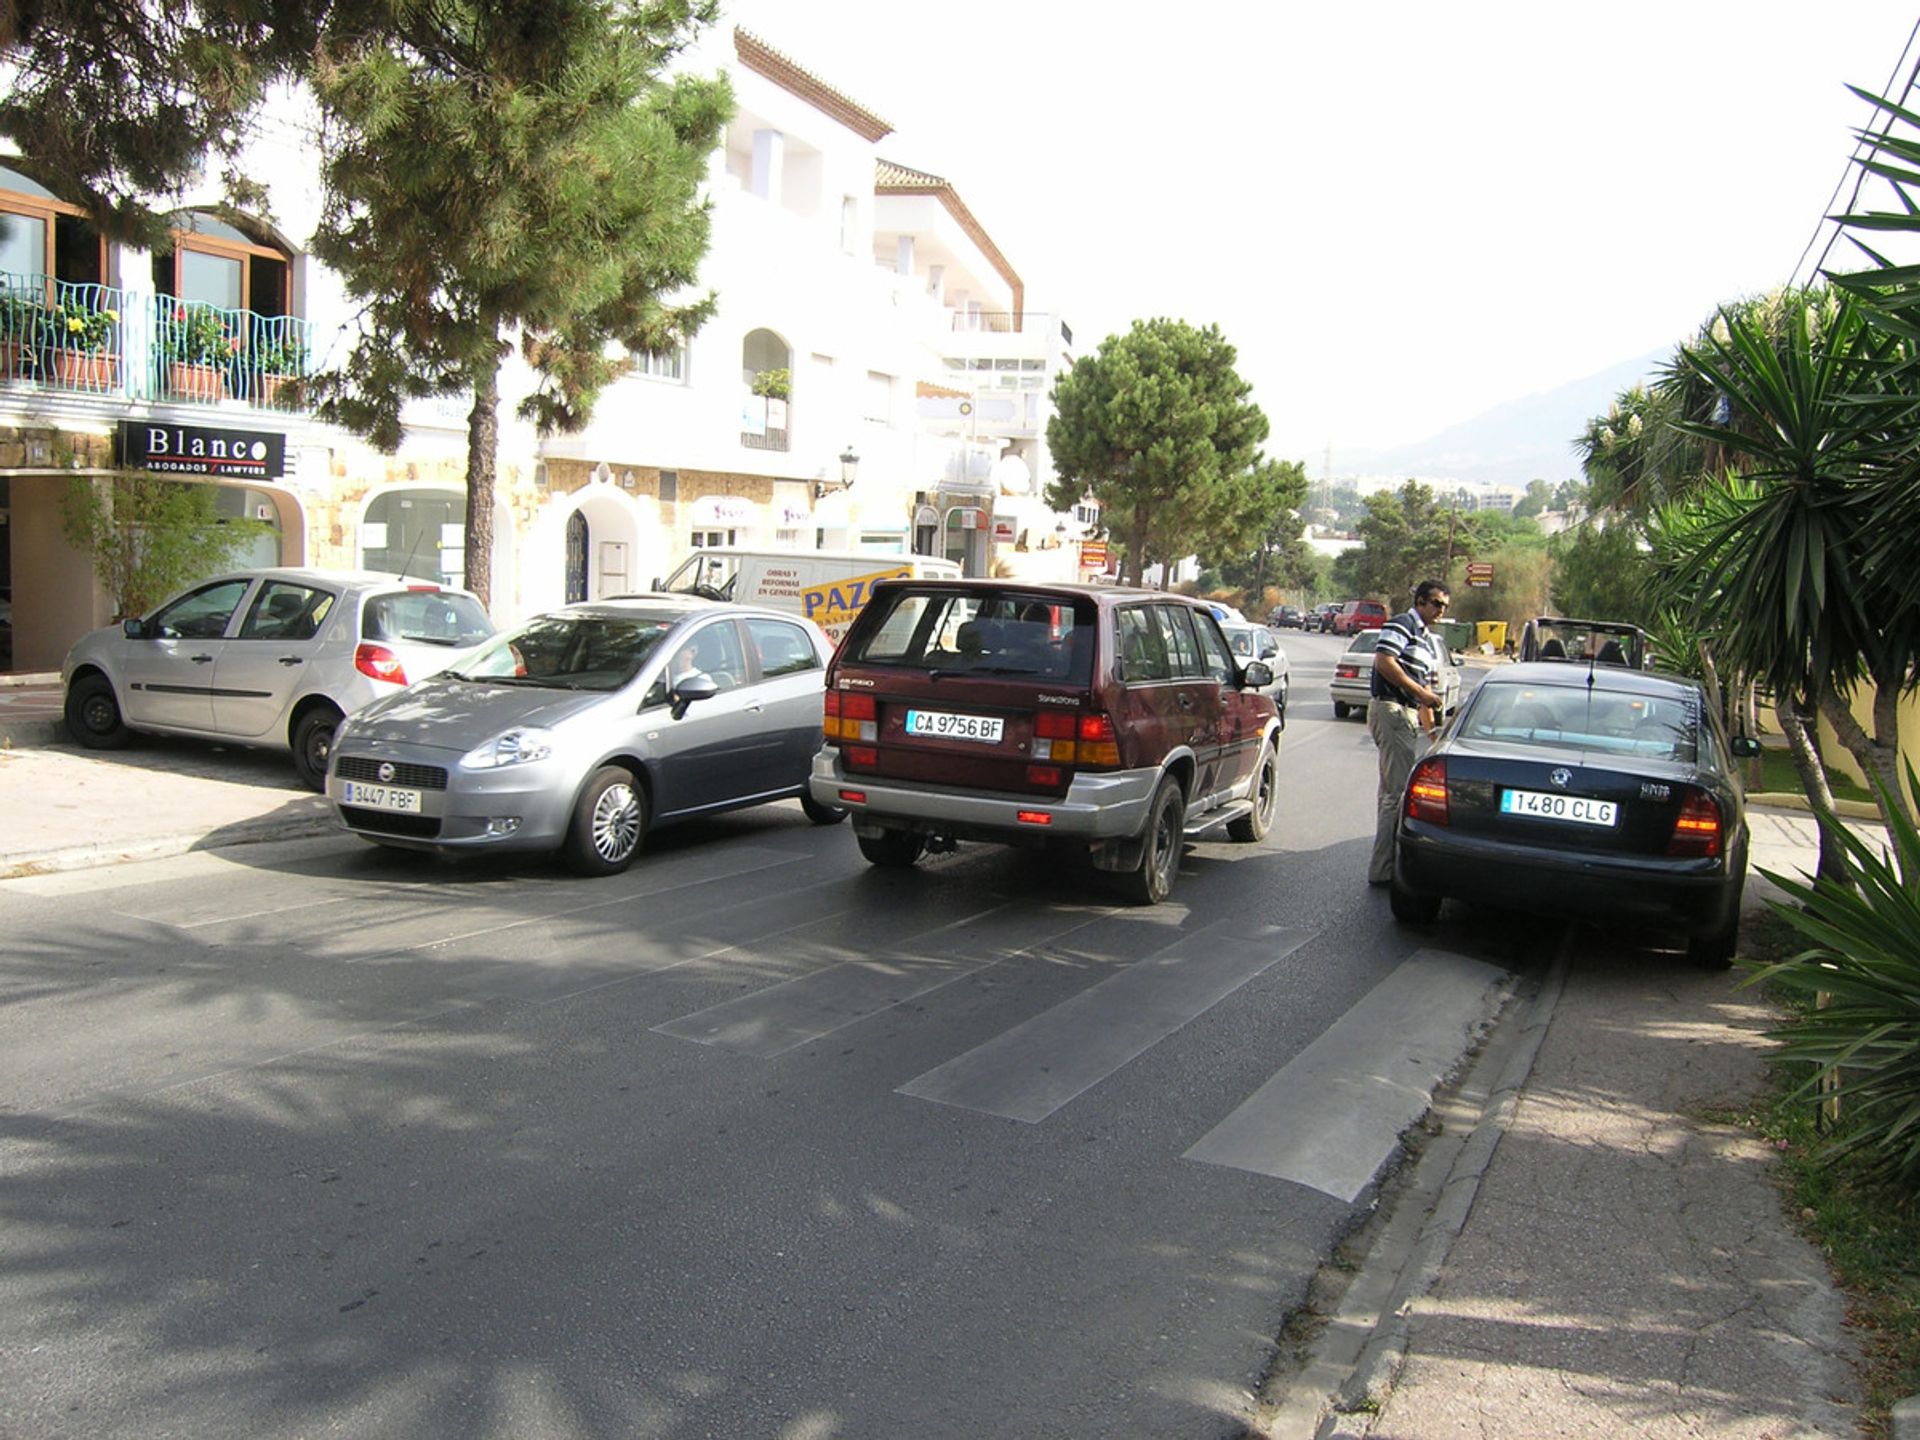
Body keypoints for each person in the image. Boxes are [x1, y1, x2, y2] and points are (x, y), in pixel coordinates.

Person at [1368, 580, 1451, 886]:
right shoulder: (1403, 624)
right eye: (1436, 604)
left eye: (1445, 606)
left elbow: (1426, 694)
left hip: (1407, 713)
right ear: (1420, 601)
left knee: (1391, 791)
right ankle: (1384, 871)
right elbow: (1384, 661)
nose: (1440, 610)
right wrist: (1419, 692)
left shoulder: (1428, 642)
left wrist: (1435, 737)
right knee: (1395, 795)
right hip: (1392, 709)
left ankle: (1385, 864)